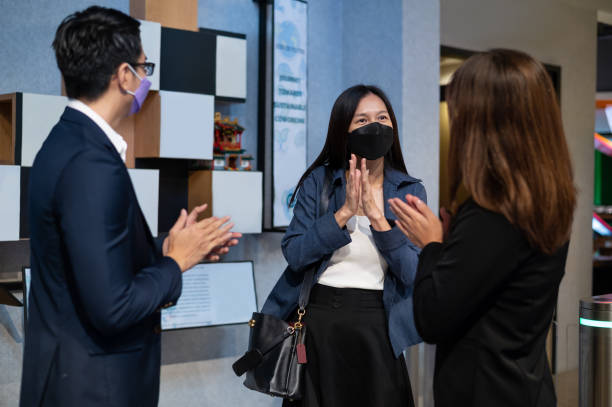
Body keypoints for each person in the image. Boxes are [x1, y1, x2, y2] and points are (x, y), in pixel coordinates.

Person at [20, 6, 240, 407]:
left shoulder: (66, 142)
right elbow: (113, 307)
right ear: (124, 76)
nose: (145, 79)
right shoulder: (92, 164)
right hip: (93, 388)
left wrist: (168, 248)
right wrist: (175, 264)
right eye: (144, 67)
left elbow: (90, 261)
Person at [389, 49, 576, 407]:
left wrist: (432, 246)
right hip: (525, 387)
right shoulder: (548, 199)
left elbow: (432, 318)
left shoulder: (493, 214)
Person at [262, 85, 426, 407]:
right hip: (320, 323)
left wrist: (379, 220)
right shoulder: (318, 182)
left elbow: (414, 274)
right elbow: (295, 253)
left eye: (382, 117)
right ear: (343, 131)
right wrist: (345, 212)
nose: (374, 126)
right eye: (362, 120)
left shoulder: (410, 191)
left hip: (378, 325)